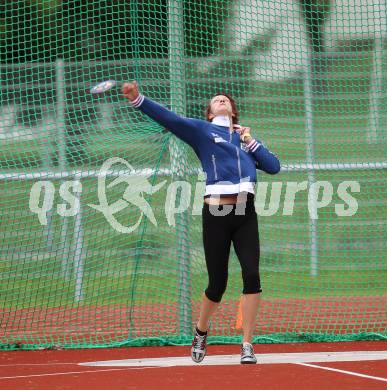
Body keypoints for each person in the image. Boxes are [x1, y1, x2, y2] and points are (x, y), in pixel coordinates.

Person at [122, 81, 280, 364]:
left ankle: (247, 344)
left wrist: (250, 141)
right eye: (216, 100)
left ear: (233, 110)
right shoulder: (202, 131)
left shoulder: (244, 138)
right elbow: (169, 119)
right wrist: (138, 99)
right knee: (217, 283)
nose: (222, 100)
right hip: (216, 214)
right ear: (209, 112)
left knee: (252, 275)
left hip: (246, 213)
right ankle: (201, 331)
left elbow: (273, 166)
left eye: (226, 99)